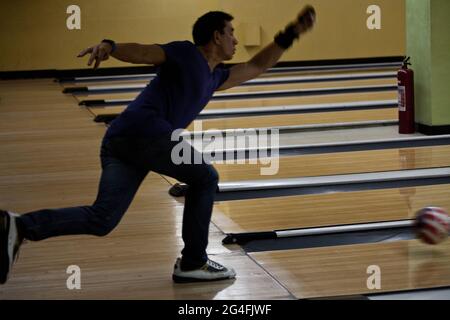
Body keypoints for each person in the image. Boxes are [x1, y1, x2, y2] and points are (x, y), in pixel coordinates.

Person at [0, 7, 316, 284]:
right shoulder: (186, 53)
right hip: (145, 133)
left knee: (102, 219)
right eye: (231, 33)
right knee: (205, 177)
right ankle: (193, 263)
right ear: (216, 36)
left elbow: (258, 66)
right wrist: (111, 46)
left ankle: (19, 225)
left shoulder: (215, 77)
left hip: (121, 140)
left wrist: (290, 35)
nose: (236, 39)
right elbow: (146, 52)